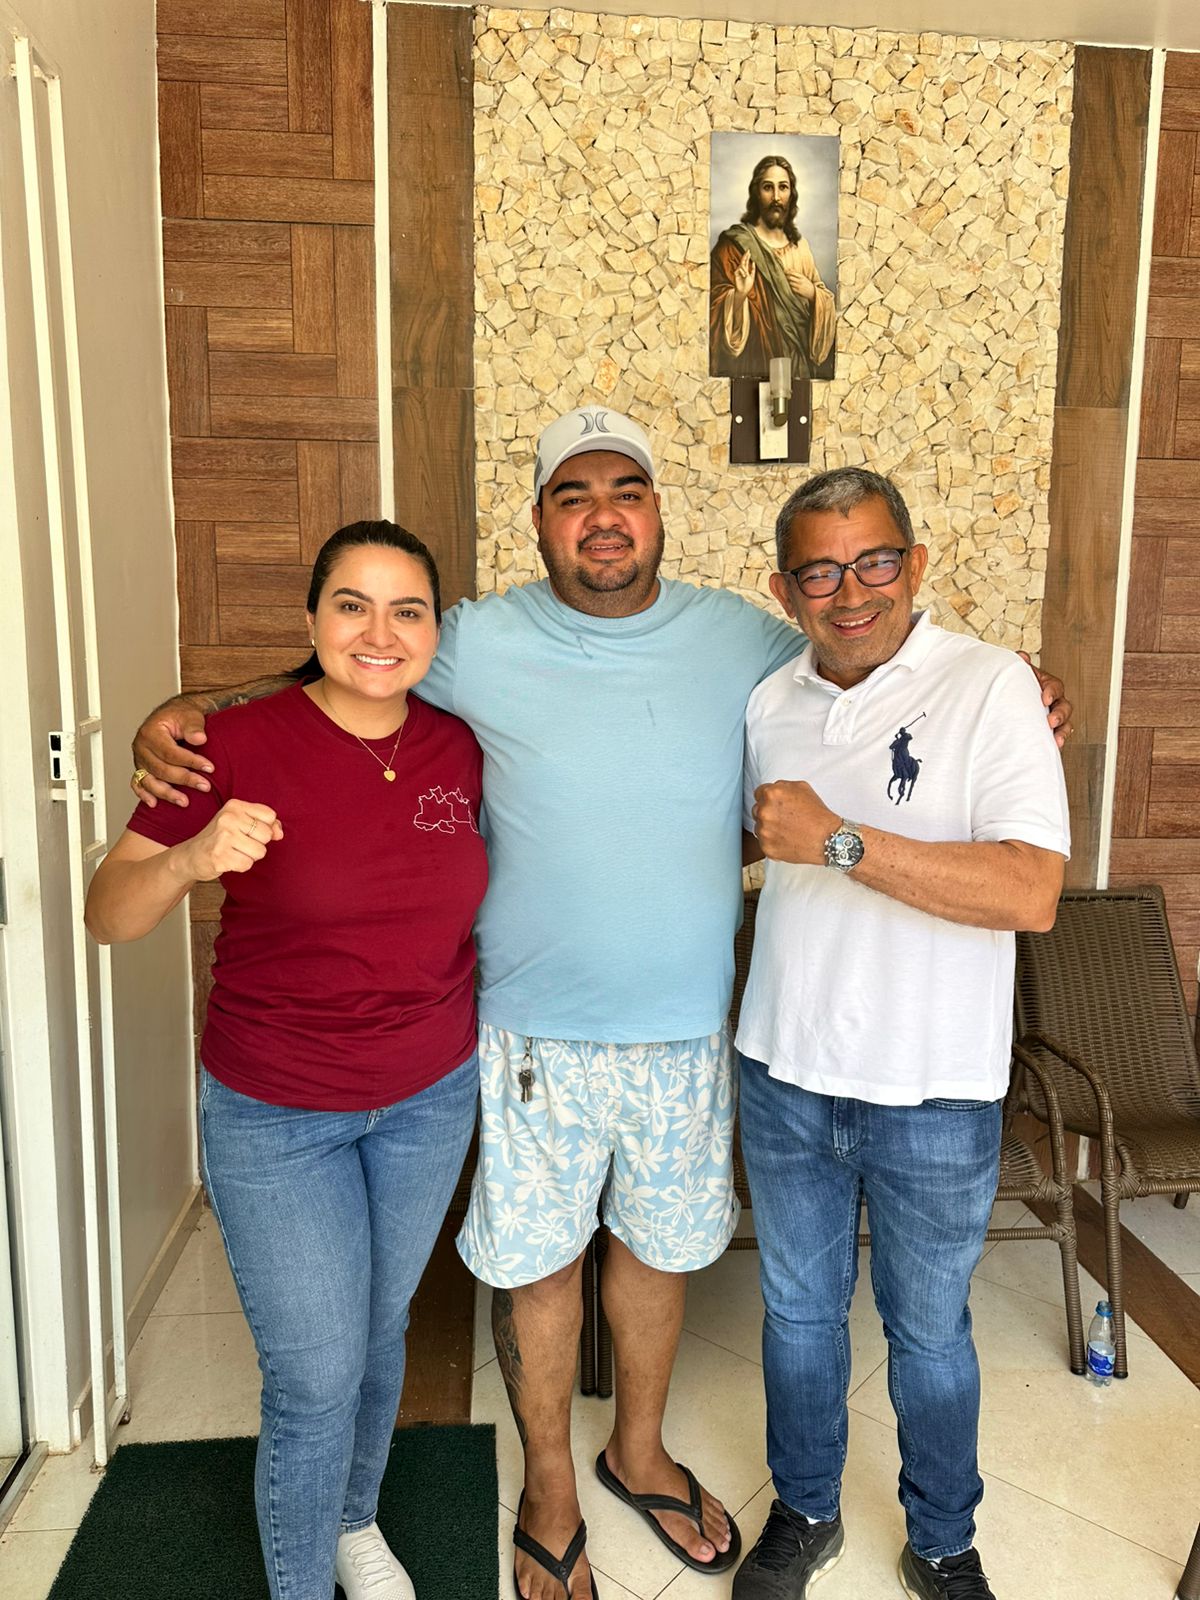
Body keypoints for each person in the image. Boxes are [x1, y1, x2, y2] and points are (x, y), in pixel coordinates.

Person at [129, 409, 1072, 1600]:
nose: (604, 515)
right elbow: (350, 664)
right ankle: (549, 1486)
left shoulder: (745, 639)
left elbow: (883, 664)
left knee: (660, 1254)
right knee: (538, 1265)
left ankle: (637, 1450)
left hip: (687, 1027)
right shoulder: (474, 638)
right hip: (529, 1030)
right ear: (540, 520)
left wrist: (1021, 685)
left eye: (625, 489)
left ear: (659, 510)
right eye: (573, 496)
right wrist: (191, 708)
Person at [88, 522, 488, 1600]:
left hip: (430, 1094)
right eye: (351, 604)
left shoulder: (460, 746)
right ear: (311, 620)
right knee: (315, 1374)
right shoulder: (226, 745)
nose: (379, 631)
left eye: (407, 609)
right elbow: (107, 912)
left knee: (379, 1331)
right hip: (276, 1109)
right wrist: (188, 857)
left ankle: (354, 1519)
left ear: (435, 630)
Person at [731, 468, 1070, 1600]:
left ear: (915, 564)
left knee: (928, 1333)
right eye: (821, 571)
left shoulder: (993, 687)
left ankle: (941, 1539)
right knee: (797, 1317)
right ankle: (805, 1510)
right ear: (784, 589)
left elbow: (1029, 889)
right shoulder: (768, 703)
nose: (852, 591)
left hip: (934, 1087)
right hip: (784, 1069)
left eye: (876, 560)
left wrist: (842, 840)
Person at [710, 153, 837, 380]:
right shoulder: (733, 246)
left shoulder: (800, 247)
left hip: (797, 368)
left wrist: (812, 294)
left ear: (791, 194)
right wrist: (738, 295)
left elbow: (825, 306)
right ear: (756, 193)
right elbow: (711, 314)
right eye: (768, 187)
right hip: (753, 365)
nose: (776, 197)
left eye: (783, 187)